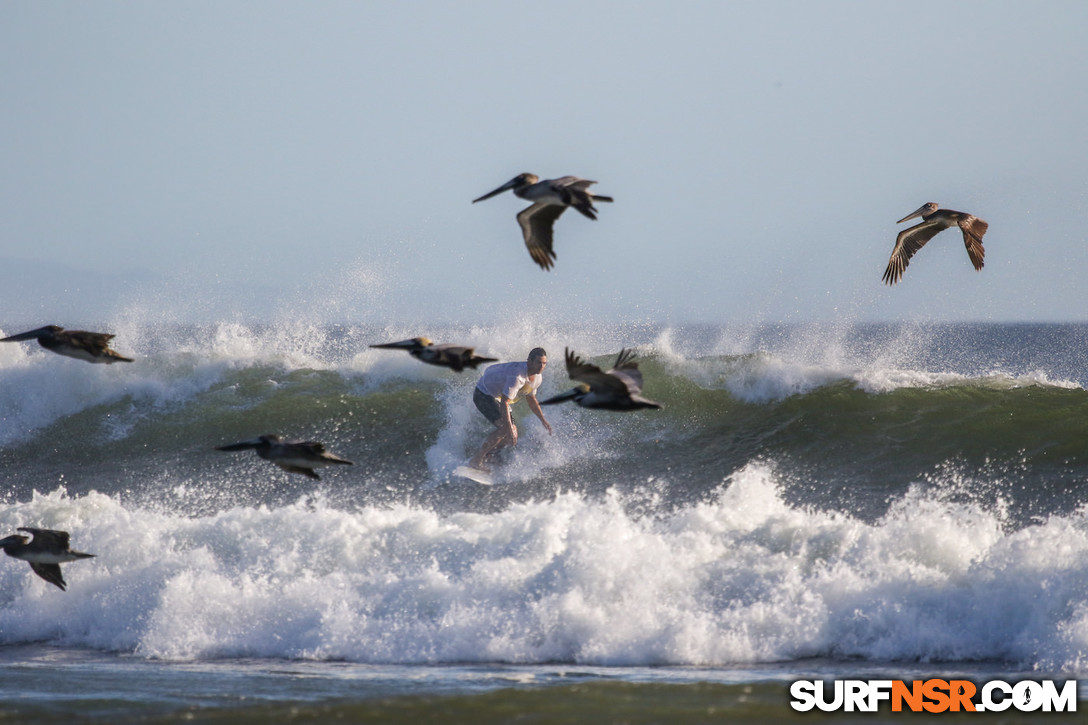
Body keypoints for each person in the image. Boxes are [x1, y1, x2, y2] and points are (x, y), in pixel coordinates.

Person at [468, 347, 553, 471]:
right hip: (484, 393)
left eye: (544, 363)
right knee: (505, 429)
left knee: (511, 438)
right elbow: (505, 402)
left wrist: (543, 420)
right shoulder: (518, 376)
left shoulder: (537, 378)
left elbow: (531, 399)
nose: (542, 366)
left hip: (498, 395)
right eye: (538, 362)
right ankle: (476, 461)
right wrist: (508, 426)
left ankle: (490, 455)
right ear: (529, 361)